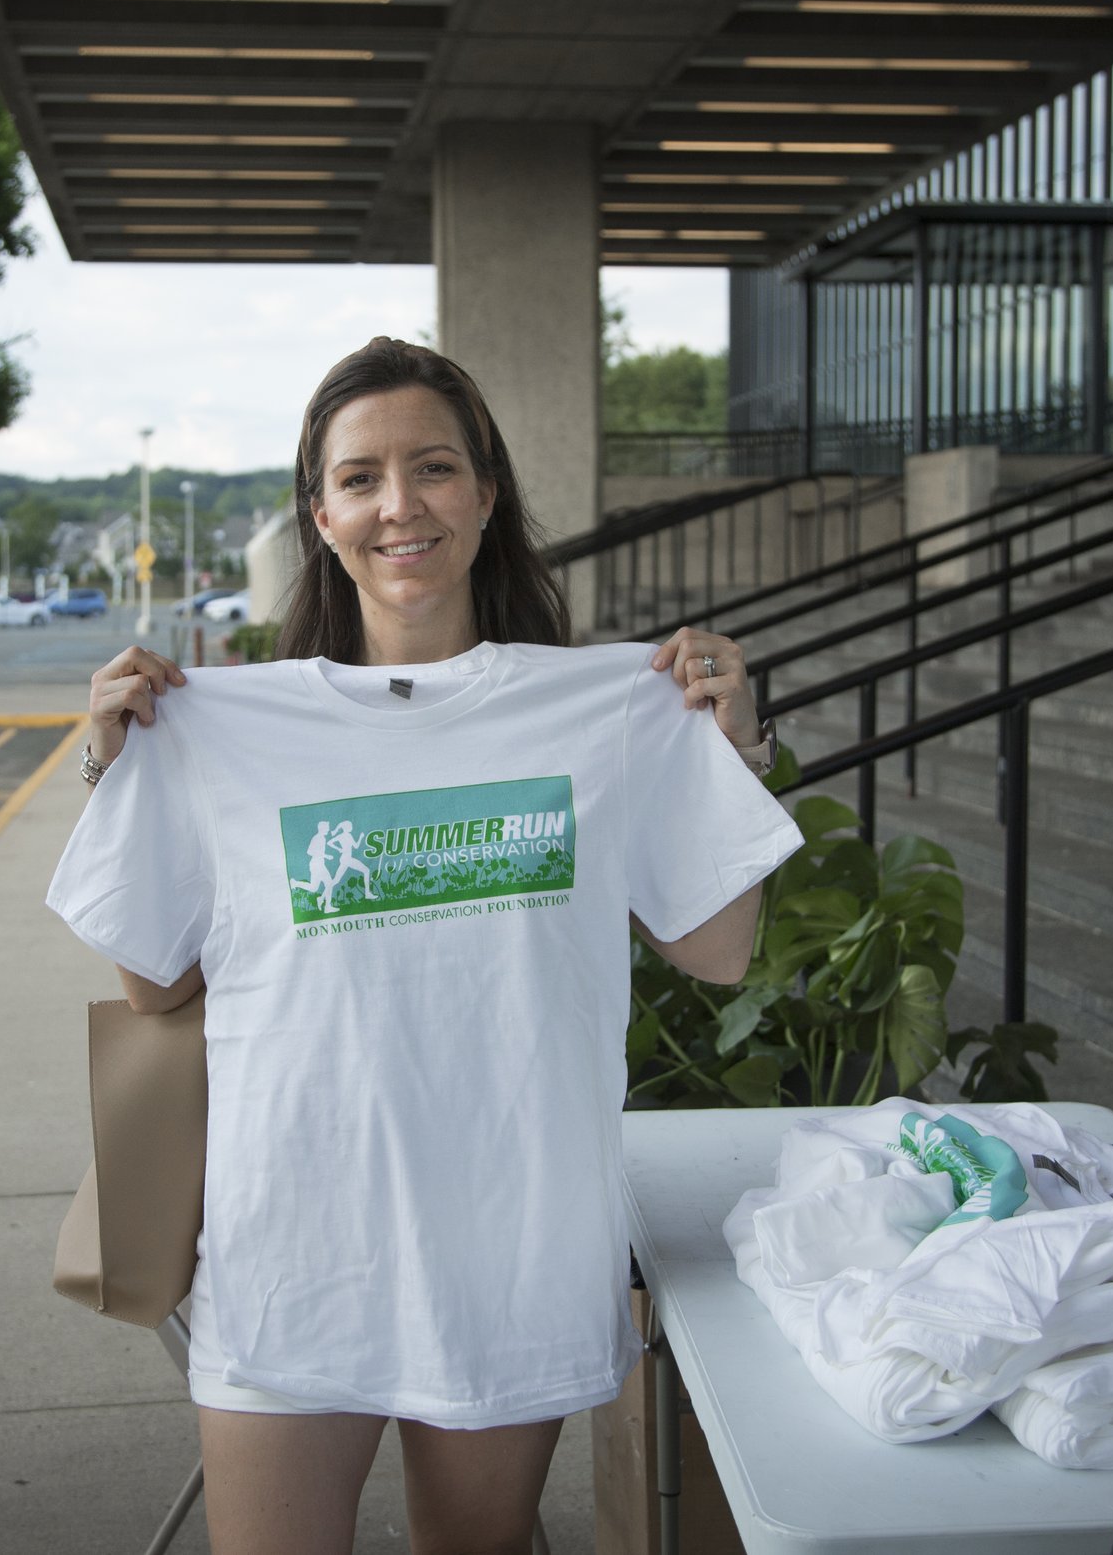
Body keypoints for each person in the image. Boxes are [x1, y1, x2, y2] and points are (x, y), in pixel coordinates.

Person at [48, 337, 799, 1555]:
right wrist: (112, 765)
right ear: (321, 513)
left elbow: (716, 949)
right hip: (291, 1249)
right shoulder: (230, 727)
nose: (398, 502)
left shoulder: (599, 715)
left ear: (486, 492)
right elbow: (153, 979)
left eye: (433, 466)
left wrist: (733, 744)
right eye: (360, 477)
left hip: (511, 1246)